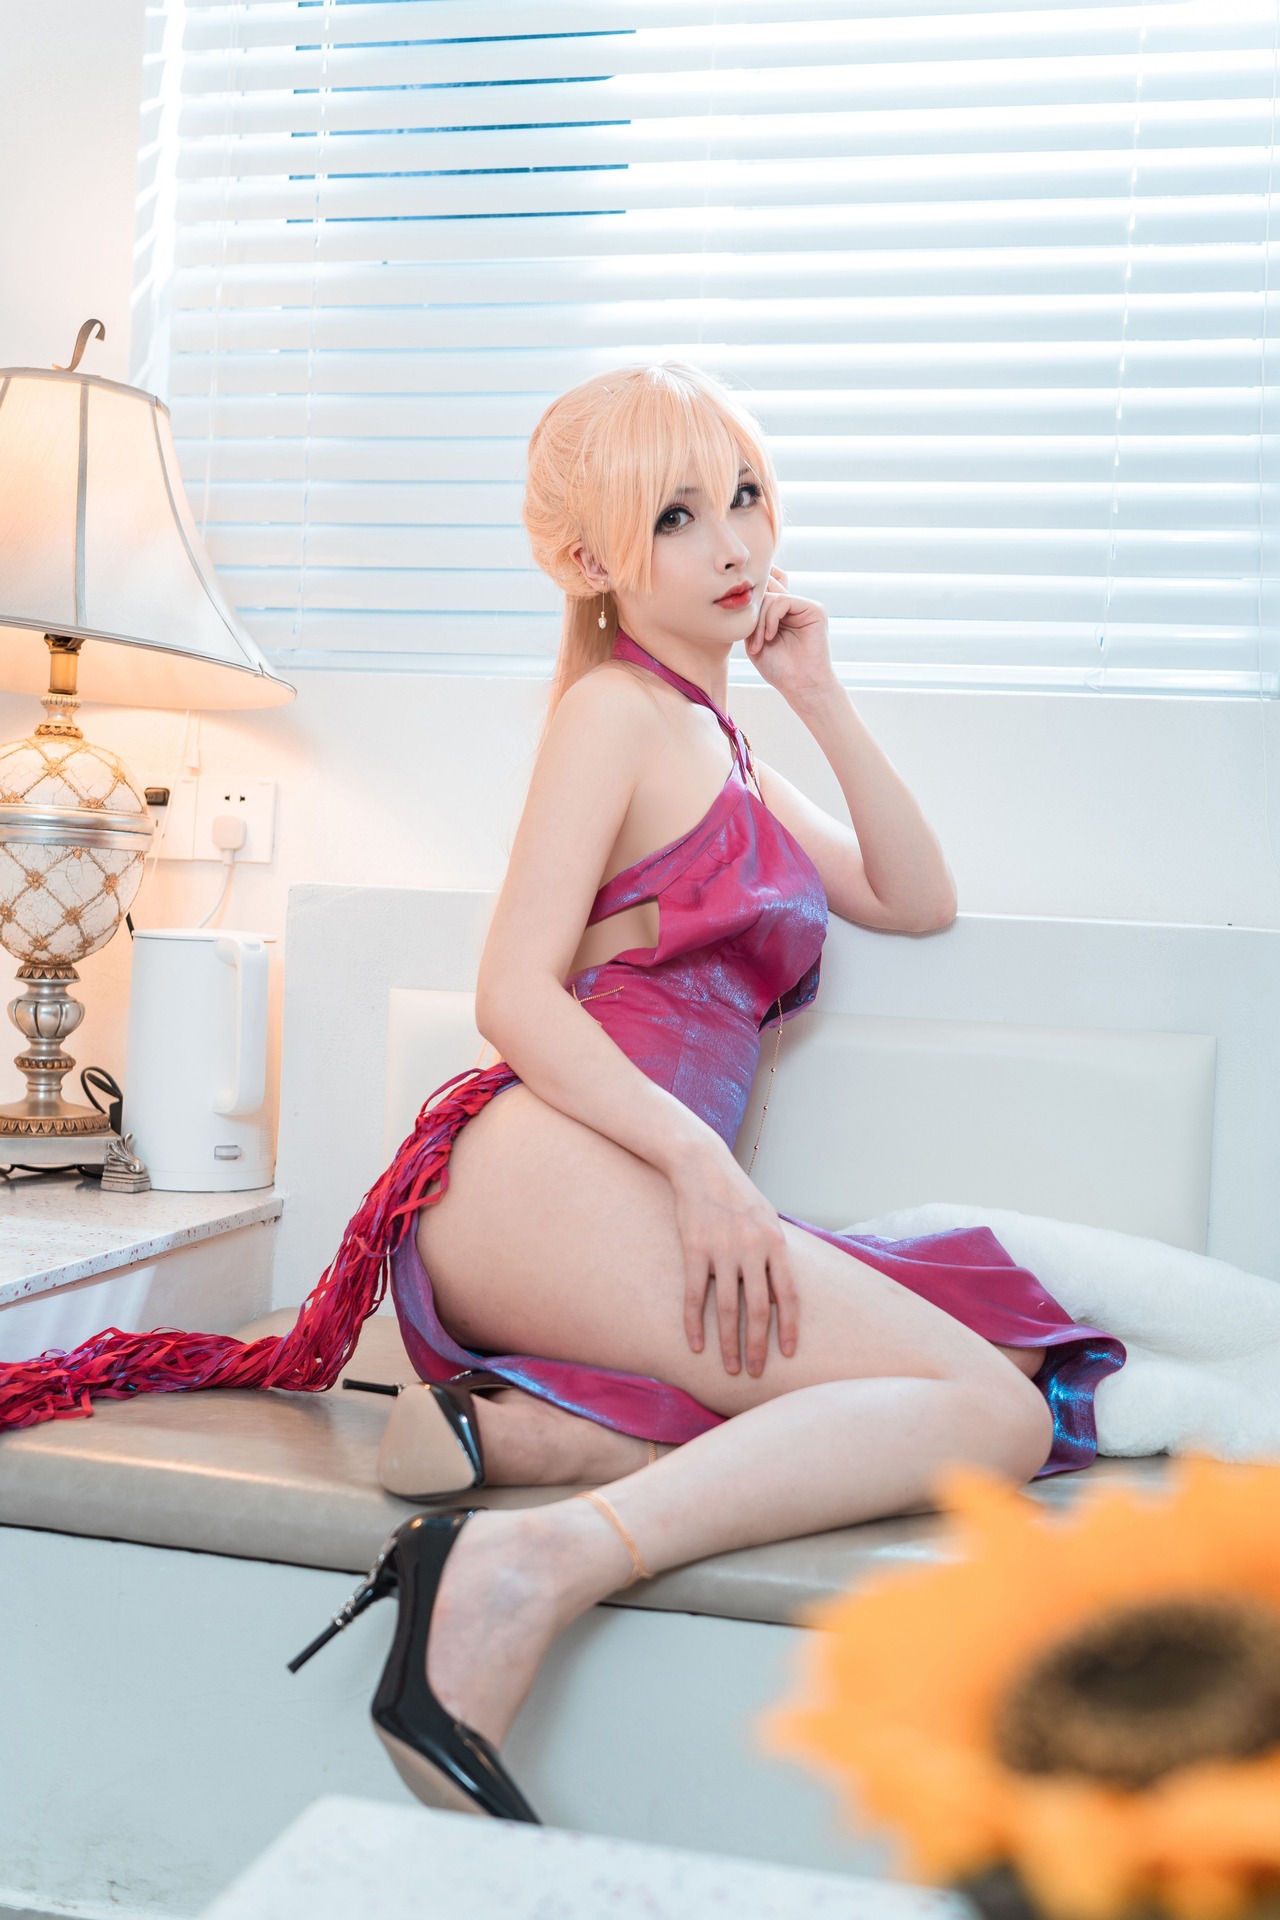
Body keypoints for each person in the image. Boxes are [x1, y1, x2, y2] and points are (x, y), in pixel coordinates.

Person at [0, 359, 1124, 1824]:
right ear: (591, 561)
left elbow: (915, 897)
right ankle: (529, 1561)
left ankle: (541, 1433)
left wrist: (816, 692)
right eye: (676, 516)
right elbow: (513, 993)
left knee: (982, 1376)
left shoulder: (722, 739)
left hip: (609, 1185)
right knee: (989, 1410)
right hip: (556, 1166)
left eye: (745, 497)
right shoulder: (614, 714)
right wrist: (702, 1169)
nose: (733, 543)